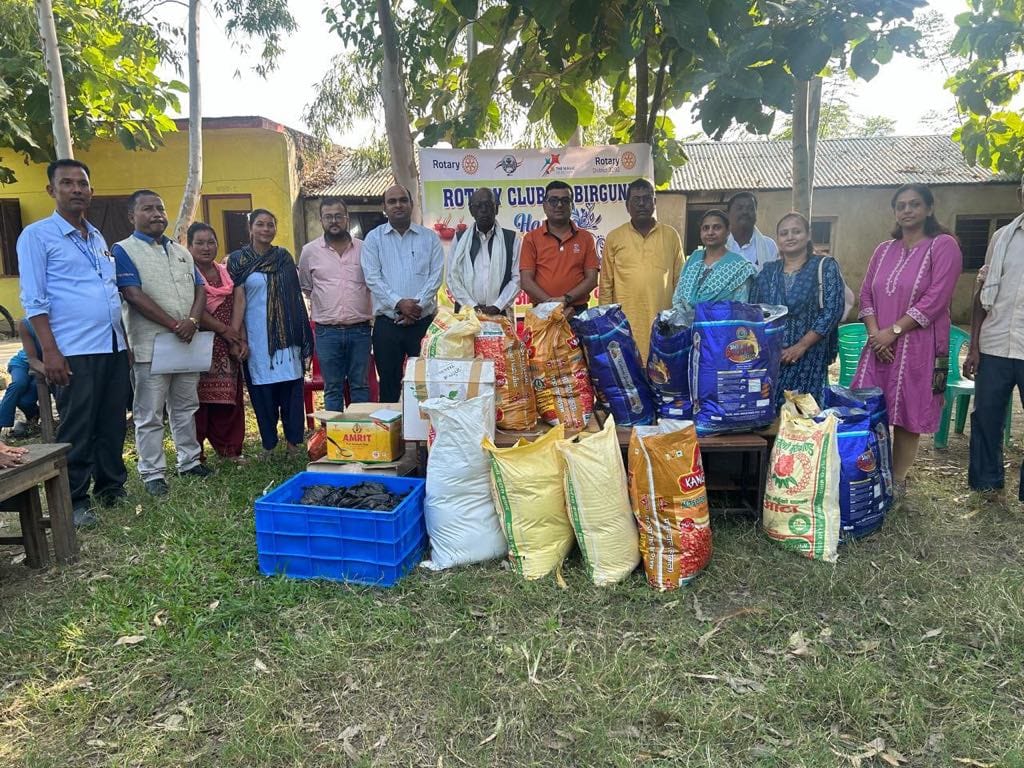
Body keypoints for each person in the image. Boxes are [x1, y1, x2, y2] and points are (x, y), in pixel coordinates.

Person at [17, 159, 131, 526]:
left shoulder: (96, 237)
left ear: (91, 191)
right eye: (67, 183)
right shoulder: (37, 236)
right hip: (73, 350)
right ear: (51, 190)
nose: (77, 189)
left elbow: (110, 294)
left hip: (111, 346)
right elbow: (34, 300)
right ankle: (75, 498)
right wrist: (50, 351)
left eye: (82, 183)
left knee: (112, 421)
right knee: (78, 425)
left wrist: (124, 343)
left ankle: (111, 488)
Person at [852, 183, 963, 501]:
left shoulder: (943, 246)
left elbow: (936, 299)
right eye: (901, 205)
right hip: (878, 347)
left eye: (914, 204)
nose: (907, 210)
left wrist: (894, 332)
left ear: (929, 208)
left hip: (920, 346)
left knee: (908, 413)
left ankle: (896, 483)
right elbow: (866, 294)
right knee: (870, 408)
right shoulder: (883, 250)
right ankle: (868, 472)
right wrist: (876, 334)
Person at [113, 190, 214, 496]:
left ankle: (189, 461)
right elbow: (133, 294)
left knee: (186, 406)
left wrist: (193, 322)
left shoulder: (181, 251)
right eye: (147, 209)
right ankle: (153, 472)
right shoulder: (123, 250)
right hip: (151, 346)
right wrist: (174, 324)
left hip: (186, 342)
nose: (157, 213)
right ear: (132, 216)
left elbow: (200, 289)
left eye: (160, 207)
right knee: (150, 412)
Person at [228, 209, 312, 454]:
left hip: (287, 339)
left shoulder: (284, 258)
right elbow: (237, 301)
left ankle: (294, 442)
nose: (266, 229)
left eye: (270, 225)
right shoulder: (237, 261)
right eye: (260, 224)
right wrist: (238, 336)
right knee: (262, 393)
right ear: (251, 228)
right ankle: (269, 444)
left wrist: (302, 335)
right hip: (256, 337)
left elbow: (296, 300)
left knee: (291, 391)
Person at [964, 175, 1024, 502]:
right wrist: (974, 346)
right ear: (1020, 193)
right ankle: (987, 484)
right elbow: (981, 293)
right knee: (986, 415)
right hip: (996, 343)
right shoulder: (1002, 238)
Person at [751, 212, 845, 407]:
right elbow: (754, 310)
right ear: (778, 239)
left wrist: (801, 346)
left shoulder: (824, 266)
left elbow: (832, 310)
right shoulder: (768, 272)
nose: (790, 237)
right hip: (774, 358)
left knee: (804, 416)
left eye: (796, 231)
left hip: (809, 355)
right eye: (784, 233)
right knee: (769, 415)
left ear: (808, 235)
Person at [361, 184, 444, 402]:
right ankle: (392, 435)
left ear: (411, 204)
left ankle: (424, 434)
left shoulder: (429, 238)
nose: (398, 205)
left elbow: (435, 277)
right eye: (392, 201)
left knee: (426, 384)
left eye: (402, 200)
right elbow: (372, 278)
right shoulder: (373, 239)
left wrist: (414, 309)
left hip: (423, 323)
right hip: (387, 326)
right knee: (389, 385)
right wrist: (400, 304)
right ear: (384, 208)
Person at [298, 197, 373, 411]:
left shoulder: (365, 249)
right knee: (332, 388)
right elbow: (307, 286)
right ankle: (334, 439)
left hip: (360, 331)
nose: (334, 221)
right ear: (321, 220)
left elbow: (372, 283)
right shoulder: (309, 251)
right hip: (326, 333)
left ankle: (361, 438)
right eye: (328, 217)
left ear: (347, 218)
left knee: (360, 386)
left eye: (339, 216)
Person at [601, 178, 684, 359]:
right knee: (631, 380)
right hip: (626, 326)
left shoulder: (671, 236)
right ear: (627, 206)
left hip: (662, 324)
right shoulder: (614, 237)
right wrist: (607, 325)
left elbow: (680, 281)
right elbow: (606, 284)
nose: (641, 204)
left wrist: (677, 320)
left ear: (654, 202)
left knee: (662, 377)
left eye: (647, 199)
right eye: (636, 199)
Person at [190, 222, 248, 462]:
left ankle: (229, 450)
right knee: (197, 404)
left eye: (211, 242)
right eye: (199, 243)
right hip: (199, 345)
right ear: (189, 246)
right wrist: (225, 331)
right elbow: (193, 309)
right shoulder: (187, 274)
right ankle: (195, 454)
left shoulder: (226, 273)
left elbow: (237, 304)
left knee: (228, 401)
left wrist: (238, 338)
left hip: (227, 347)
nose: (206, 247)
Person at [520, 180, 599, 315]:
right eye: (553, 200)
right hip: (542, 311)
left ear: (572, 206)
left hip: (576, 311)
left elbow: (591, 279)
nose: (559, 205)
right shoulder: (531, 238)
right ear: (544, 206)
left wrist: (566, 299)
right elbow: (526, 282)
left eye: (565, 200)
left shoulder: (585, 238)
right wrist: (555, 307)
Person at [447, 187, 522, 320]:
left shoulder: (511, 238)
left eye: (488, 205)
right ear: (471, 211)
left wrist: (498, 305)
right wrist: (472, 306)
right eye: (478, 206)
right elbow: (452, 278)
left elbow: (517, 278)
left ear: (497, 208)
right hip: (467, 314)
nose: (483, 210)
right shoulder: (459, 239)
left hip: (500, 313)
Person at [672, 209, 757, 313]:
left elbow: (741, 307)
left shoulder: (740, 267)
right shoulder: (693, 261)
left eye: (717, 227)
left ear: (728, 231)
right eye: (705, 228)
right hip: (686, 326)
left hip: (723, 326)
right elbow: (678, 298)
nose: (710, 232)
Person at [1, 320, 41, 438]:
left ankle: (33, 416)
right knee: (19, 384)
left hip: (42, 367)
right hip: (22, 363)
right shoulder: (30, 322)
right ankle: (2, 423)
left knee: (25, 400)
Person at [726, 191, 779, 272]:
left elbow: (775, 279)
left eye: (750, 208)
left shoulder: (769, 246)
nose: (745, 212)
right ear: (728, 214)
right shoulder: (721, 245)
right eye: (740, 208)